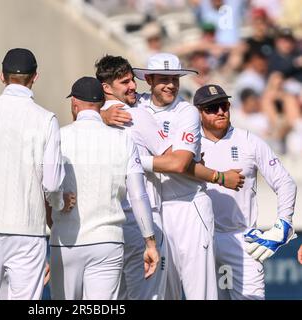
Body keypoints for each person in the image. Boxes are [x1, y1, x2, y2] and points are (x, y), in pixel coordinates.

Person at [0, 48, 64, 300]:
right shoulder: (46, 119)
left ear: (1, 76)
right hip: (28, 230)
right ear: (35, 77)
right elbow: (51, 183)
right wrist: (59, 205)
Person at [47, 77, 160, 300]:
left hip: (66, 240)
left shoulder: (58, 136)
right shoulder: (123, 139)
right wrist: (150, 242)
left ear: (75, 104)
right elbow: (138, 194)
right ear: (101, 105)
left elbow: (44, 185)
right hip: (108, 241)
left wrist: (57, 207)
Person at [194, 84, 298, 299]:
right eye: (212, 108)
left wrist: (284, 223)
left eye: (223, 105)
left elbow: (286, 182)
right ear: (199, 112)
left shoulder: (249, 140)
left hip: (241, 238)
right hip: (201, 239)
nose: (220, 111)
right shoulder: (189, 143)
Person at [132, 53, 220, 300]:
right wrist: (105, 115)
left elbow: (179, 163)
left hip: (189, 206)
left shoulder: (186, 112)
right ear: (148, 79)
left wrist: (132, 163)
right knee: (162, 293)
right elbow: (105, 103)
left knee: (199, 292)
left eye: (175, 79)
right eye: (163, 79)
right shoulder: (135, 105)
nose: (171, 85)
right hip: (156, 211)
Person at [96, 55, 169, 300]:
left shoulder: (91, 118)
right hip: (142, 221)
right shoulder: (137, 115)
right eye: (125, 82)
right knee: (147, 296)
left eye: (132, 80)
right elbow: (171, 159)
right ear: (106, 88)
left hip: (105, 223)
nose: (133, 86)